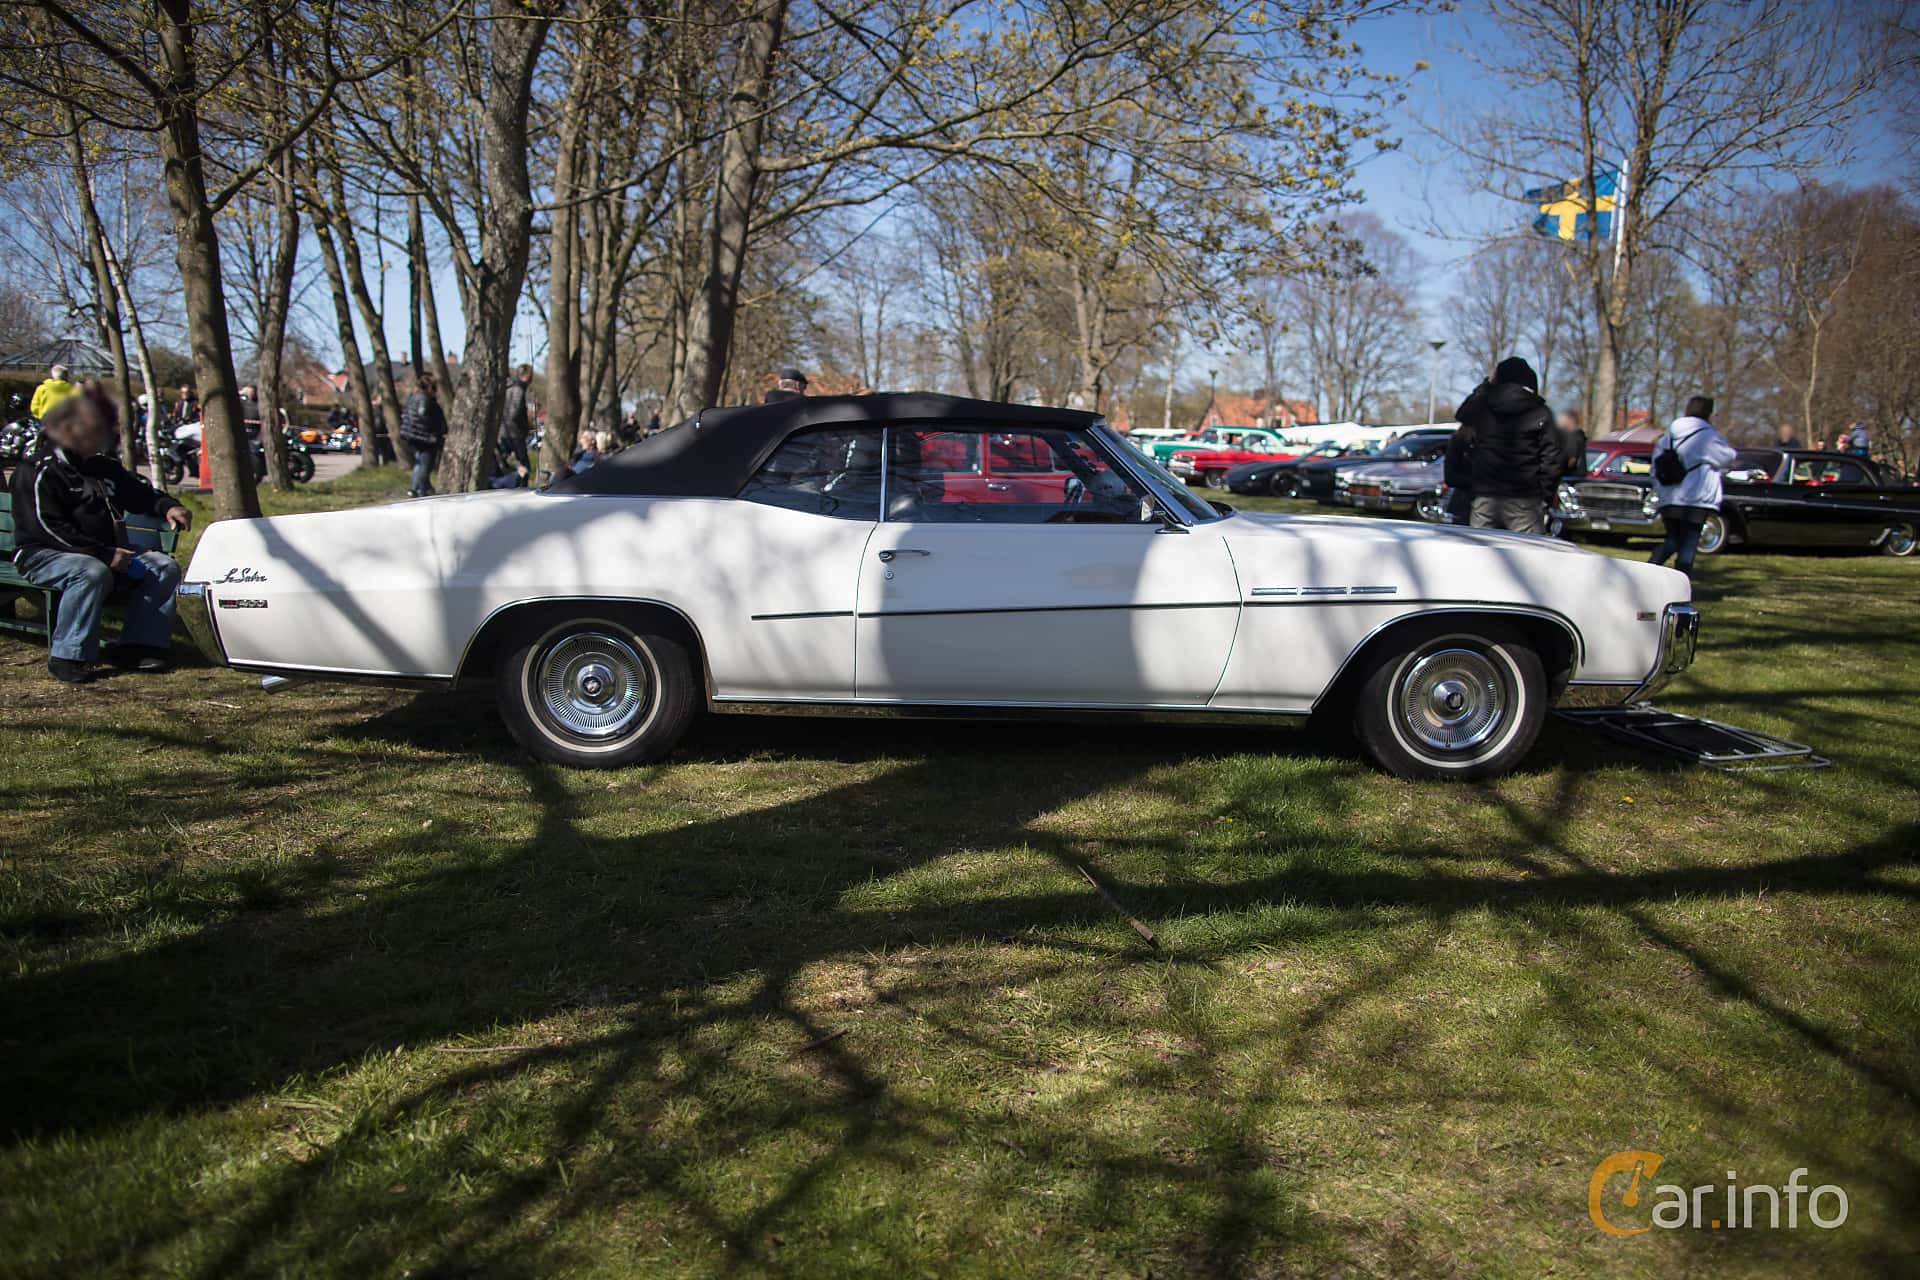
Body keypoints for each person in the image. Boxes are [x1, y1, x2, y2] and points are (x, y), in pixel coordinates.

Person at [9, 387, 191, 683]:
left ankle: (136, 647)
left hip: (104, 551)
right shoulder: (38, 470)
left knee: (163, 567)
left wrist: (167, 506)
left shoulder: (104, 467)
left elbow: (140, 494)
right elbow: (46, 528)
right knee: (91, 572)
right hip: (42, 554)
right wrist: (104, 554)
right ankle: (68, 656)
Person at [1448, 356, 1561, 533]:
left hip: (1486, 495)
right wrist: (1544, 494)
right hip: (1524, 497)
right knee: (1526, 549)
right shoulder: (1539, 411)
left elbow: (1463, 415)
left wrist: (1485, 386)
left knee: (1483, 547)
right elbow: (1551, 459)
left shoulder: (1483, 406)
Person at [1648, 395, 1738, 576]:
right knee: (1689, 542)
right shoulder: (1708, 437)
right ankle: (1681, 579)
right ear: (1708, 413)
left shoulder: (1669, 436)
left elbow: (1655, 466)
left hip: (1670, 497)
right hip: (1697, 498)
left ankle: (1650, 569)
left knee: (1673, 539)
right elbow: (1727, 457)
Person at [400, 373, 447, 497]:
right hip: (424, 437)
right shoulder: (424, 398)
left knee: (419, 462)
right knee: (425, 464)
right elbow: (423, 415)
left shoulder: (413, 397)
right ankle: (420, 489)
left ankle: (415, 488)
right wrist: (433, 431)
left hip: (413, 436)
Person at [500, 363, 533, 470]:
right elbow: (513, 414)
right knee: (524, 466)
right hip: (514, 433)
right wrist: (524, 427)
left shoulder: (508, 387)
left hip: (505, 431)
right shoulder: (518, 389)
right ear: (526, 375)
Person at [1555, 407, 1588, 477]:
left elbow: (1572, 460)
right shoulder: (1578, 435)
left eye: (1562, 420)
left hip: (1572, 475)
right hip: (1577, 474)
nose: (1560, 422)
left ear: (1570, 420)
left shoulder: (1573, 436)